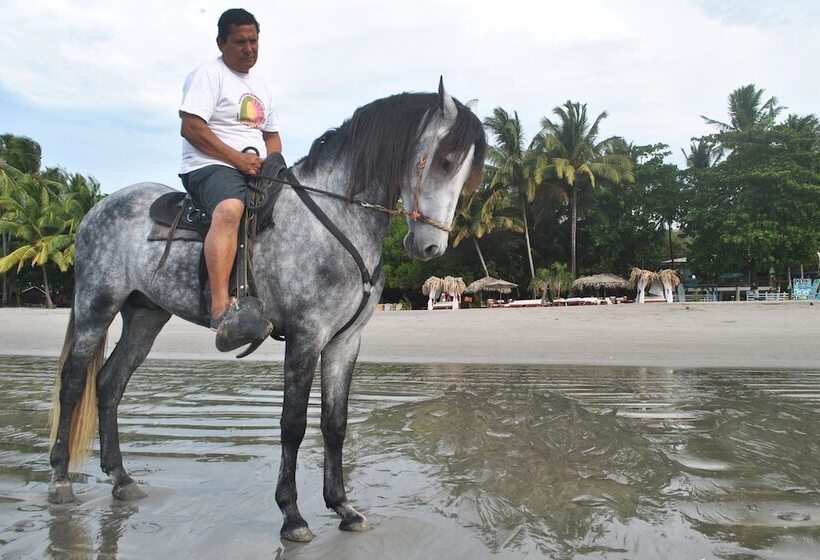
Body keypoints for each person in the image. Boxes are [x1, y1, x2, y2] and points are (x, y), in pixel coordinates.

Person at [178, 8, 279, 350]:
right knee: (231, 208)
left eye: (253, 40)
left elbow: (272, 136)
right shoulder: (208, 74)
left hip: (253, 167)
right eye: (240, 41)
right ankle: (221, 308)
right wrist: (237, 160)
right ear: (221, 42)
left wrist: (272, 164)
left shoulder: (263, 83)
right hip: (208, 165)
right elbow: (191, 127)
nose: (249, 48)